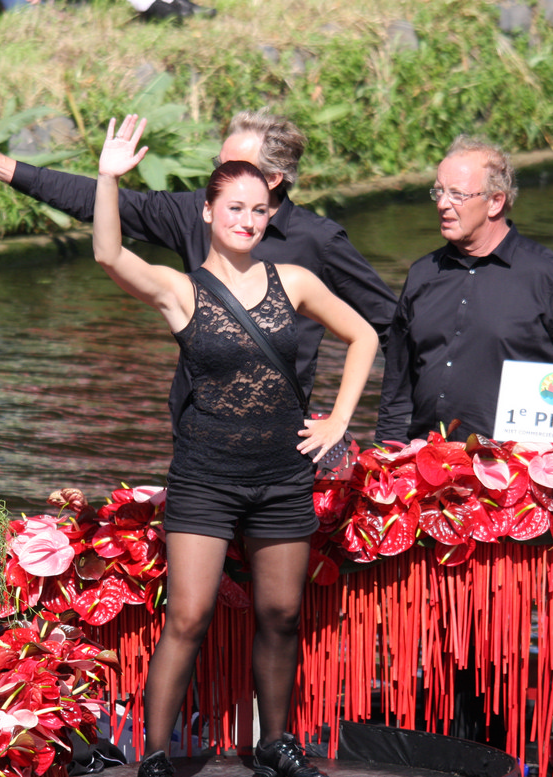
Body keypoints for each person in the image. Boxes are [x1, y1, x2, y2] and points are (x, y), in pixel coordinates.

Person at [92, 115, 378, 777]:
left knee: (280, 613)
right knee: (188, 617)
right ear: (208, 212)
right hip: (206, 479)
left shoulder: (294, 281)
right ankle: (155, 755)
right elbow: (109, 254)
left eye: (258, 209)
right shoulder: (180, 290)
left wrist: (337, 420)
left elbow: (364, 335)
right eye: (234, 208)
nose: (247, 220)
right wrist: (108, 179)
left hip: (282, 476)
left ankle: (274, 743)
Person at [0, 108, 396, 432]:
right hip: (197, 425)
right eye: (218, 165)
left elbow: (388, 326)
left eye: (233, 167)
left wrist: (386, 433)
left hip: (279, 432)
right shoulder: (199, 212)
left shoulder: (318, 241)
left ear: (273, 180)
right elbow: (102, 206)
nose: (218, 177)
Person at [375, 135, 553, 445]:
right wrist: (387, 453)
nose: (442, 204)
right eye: (439, 191)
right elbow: (397, 385)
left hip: (512, 465)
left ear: (495, 202)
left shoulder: (549, 276)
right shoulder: (422, 274)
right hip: (427, 460)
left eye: (457, 194)